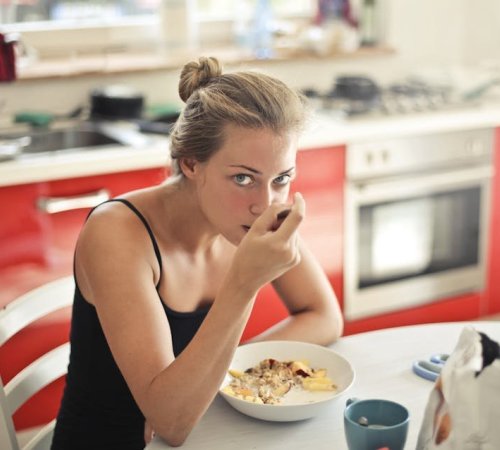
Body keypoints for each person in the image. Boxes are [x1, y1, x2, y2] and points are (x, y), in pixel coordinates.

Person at [51, 56, 343, 450]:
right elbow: (170, 422)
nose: (265, 204)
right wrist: (244, 283)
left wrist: (214, 375)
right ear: (191, 164)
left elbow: (324, 316)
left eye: (282, 179)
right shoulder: (118, 234)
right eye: (243, 178)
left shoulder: (255, 214)